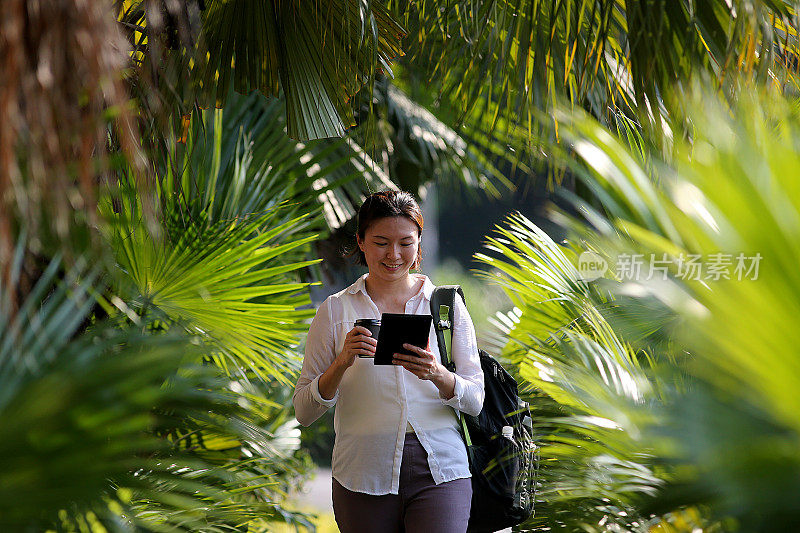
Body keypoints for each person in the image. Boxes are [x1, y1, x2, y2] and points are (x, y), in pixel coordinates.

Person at [293, 190, 484, 533]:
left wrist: (437, 374)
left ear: (419, 244)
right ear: (361, 242)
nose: (394, 254)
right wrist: (341, 363)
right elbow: (304, 411)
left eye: (405, 243)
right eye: (381, 242)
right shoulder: (336, 311)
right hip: (362, 472)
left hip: (441, 467)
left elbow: (476, 400)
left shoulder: (445, 306)